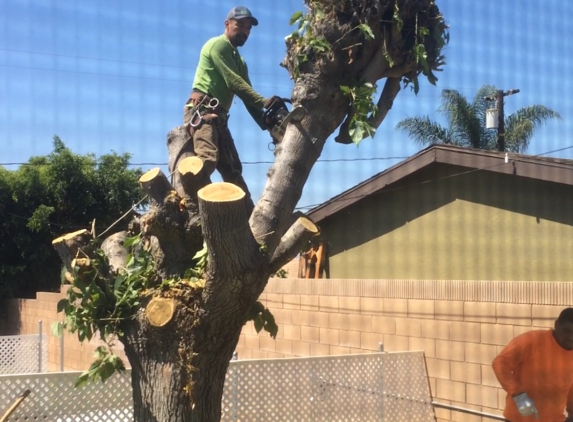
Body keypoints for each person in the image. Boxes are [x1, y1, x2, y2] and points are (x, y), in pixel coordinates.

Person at [183, 5, 277, 206]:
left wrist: (267, 122)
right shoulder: (218, 45)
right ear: (227, 24)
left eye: (248, 28)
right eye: (240, 25)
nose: (244, 31)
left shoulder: (240, 61)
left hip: (220, 118)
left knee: (234, 170)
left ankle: (248, 218)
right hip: (203, 111)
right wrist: (264, 101)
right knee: (207, 159)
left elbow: (246, 94)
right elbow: (234, 82)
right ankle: (187, 205)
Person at [492, 307, 573, 422]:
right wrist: (517, 394)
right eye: (567, 331)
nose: (571, 337)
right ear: (557, 325)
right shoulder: (532, 340)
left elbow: (570, 386)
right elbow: (500, 362)